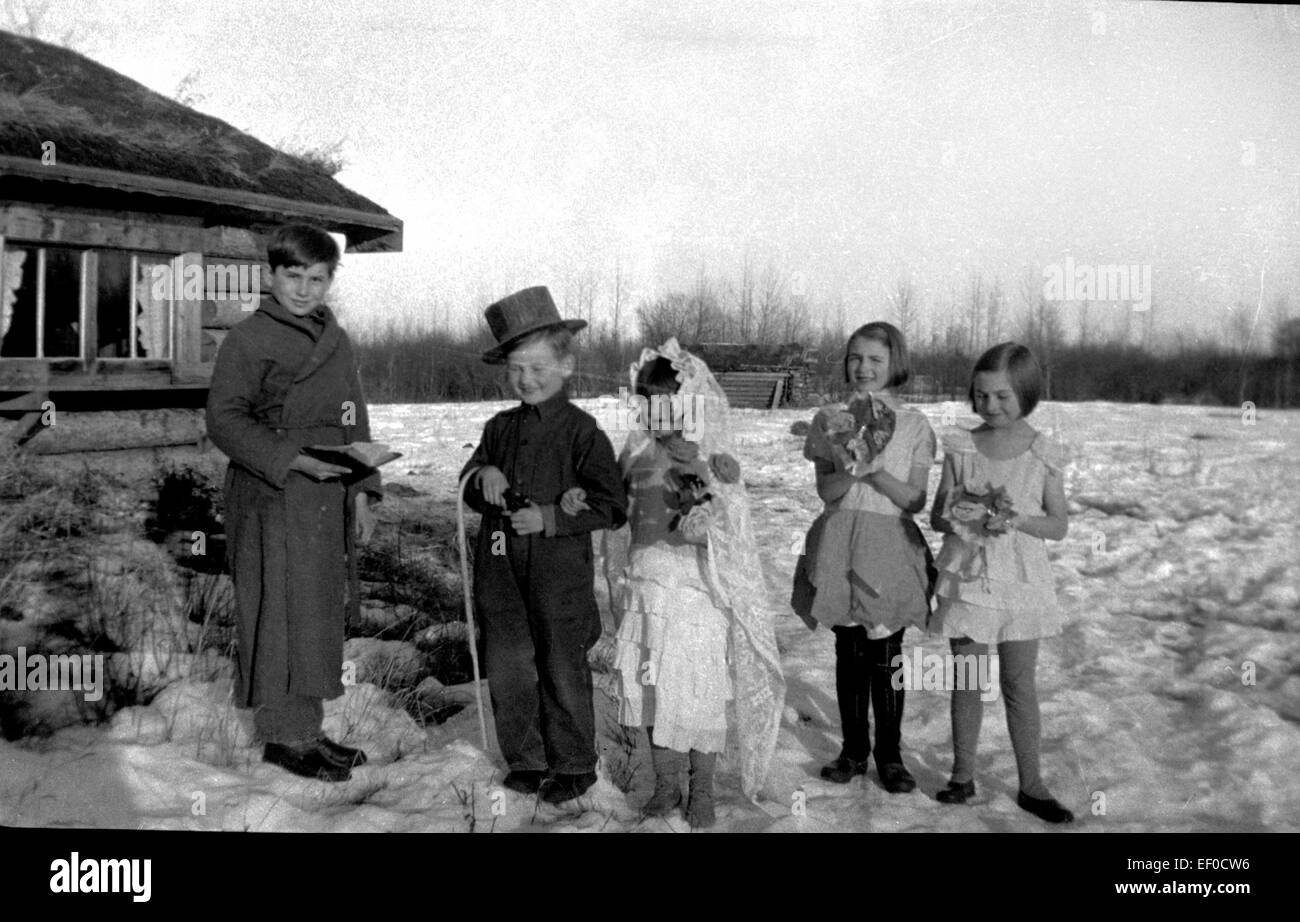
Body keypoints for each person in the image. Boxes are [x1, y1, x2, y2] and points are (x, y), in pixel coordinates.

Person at [206, 223, 380, 783]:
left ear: (331, 280)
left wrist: (364, 488)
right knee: (278, 612)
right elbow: (225, 420)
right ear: (271, 274)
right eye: (292, 275)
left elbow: (354, 416)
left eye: (317, 277)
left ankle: (308, 728)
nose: (304, 289)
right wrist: (290, 459)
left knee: (314, 613)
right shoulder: (249, 338)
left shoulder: (338, 338)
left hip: (326, 492)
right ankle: (282, 736)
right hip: (271, 492)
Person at [590, 339, 784, 829]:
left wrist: (715, 514)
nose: (656, 413)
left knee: (697, 689)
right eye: (646, 402)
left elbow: (732, 526)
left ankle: (702, 785)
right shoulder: (634, 452)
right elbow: (614, 513)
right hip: (649, 587)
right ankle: (666, 782)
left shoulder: (710, 457)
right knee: (655, 686)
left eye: (666, 402)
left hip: (698, 591)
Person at [459, 286, 627, 805]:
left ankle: (574, 763)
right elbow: (464, 488)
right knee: (509, 664)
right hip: (500, 571)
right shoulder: (499, 427)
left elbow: (612, 505)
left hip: (559, 575)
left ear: (567, 364)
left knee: (561, 665)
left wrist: (552, 517)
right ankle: (527, 759)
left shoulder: (583, 433)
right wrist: (480, 472)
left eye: (538, 367)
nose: (526, 379)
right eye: (516, 369)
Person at [930, 342, 1074, 824]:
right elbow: (938, 515)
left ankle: (1031, 784)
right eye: (982, 396)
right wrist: (962, 514)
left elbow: (1059, 524)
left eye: (1003, 397)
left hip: (1021, 579)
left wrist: (1015, 520)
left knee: (1018, 683)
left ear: (1027, 394)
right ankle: (962, 776)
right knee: (968, 679)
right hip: (970, 577)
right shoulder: (962, 447)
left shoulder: (1042, 452)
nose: (990, 406)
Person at [791, 321, 936, 793]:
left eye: (876, 359)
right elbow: (826, 490)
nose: (864, 367)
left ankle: (890, 756)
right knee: (849, 649)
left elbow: (915, 500)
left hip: (889, 543)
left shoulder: (915, 425)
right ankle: (853, 750)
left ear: (896, 364)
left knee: (886, 651)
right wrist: (849, 467)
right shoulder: (830, 419)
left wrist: (875, 471)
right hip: (841, 540)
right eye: (855, 357)